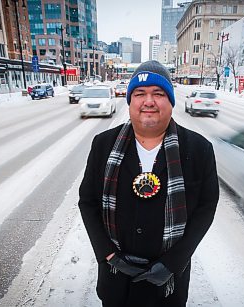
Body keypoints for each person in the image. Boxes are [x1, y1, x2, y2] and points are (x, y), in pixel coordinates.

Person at [79, 60, 219, 307]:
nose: (149, 101)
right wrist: (108, 254)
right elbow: (88, 202)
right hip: (116, 280)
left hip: (167, 288)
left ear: (171, 101)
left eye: (158, 93)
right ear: (130, 101)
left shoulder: (198, 150)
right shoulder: (103, 144)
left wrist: (173, 263)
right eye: (140, 93)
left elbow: (206, 210)